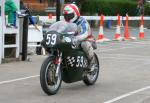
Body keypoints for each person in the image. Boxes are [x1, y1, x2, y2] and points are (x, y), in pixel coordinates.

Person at [63, 3, 96, 71]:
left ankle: (92, 63)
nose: (67, 17)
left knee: (84, 44)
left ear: (75, 13)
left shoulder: (82, 21)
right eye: (66, 15)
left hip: (88, 40)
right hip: (73, 41)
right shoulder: (66, 23)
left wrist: (75, 38)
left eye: (69, 15)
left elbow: (85, 33)